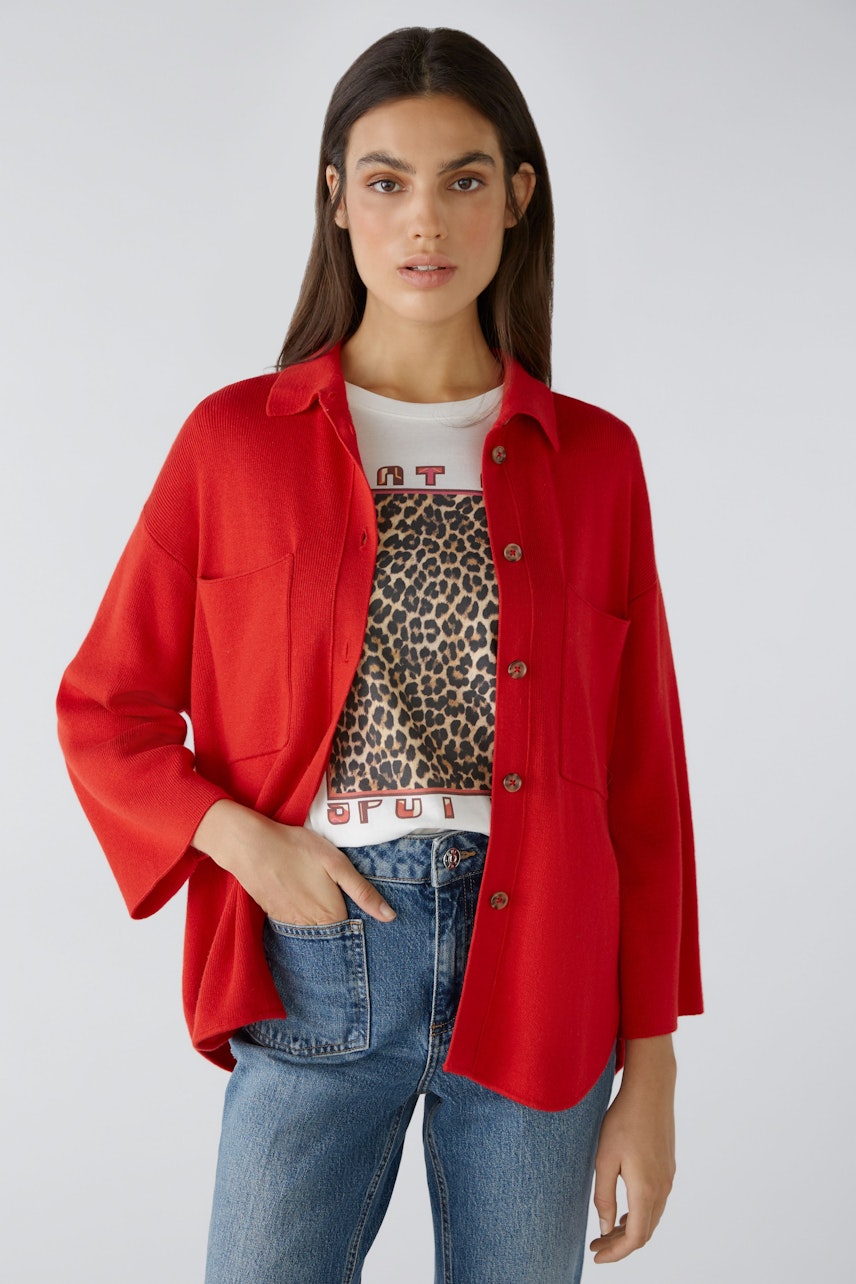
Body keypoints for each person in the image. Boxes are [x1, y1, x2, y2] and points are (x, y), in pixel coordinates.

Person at [57, 26, 702, 1284]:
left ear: (517, 197)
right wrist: (244, 842)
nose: (425, 220)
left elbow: (644, 787)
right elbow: (104, 709)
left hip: (545, 965)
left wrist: (654, 1068)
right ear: (337, 198)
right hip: (318, 956)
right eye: (387, 180)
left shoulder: (594, 462)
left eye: (464, 179)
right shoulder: (235, 443)